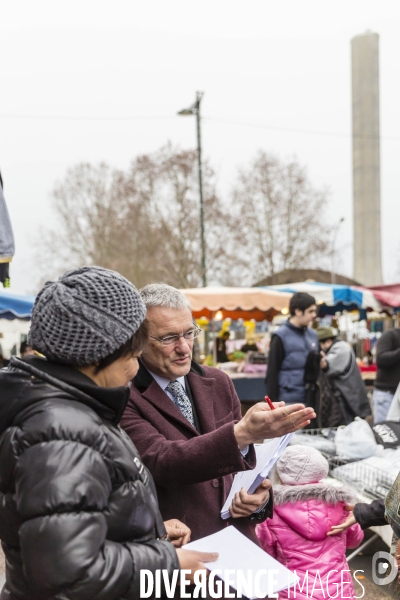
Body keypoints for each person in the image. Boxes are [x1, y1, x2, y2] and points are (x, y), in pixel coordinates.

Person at [0, 268, 215, 600]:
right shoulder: (59, 431)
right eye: (132, 354)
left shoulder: (74, 414)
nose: (135, 366)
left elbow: (80, 523)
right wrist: (165, 562)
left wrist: (151, 536)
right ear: (97, 355)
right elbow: (67, 570)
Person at [120, 283, 316, 544]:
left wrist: (259, 499)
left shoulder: (218, 381)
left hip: (239, 546)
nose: (184, 347)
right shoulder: (126, 395)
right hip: (184, 556)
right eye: (168, 338)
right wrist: (243, 434)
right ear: (139, 341)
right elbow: (162, 462)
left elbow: (246, 468)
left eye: (189, 333)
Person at [257, 445, 364, 600]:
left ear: (282, 475)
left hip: (294, 592)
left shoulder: (271, 513)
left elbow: (266, 552)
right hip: (338, 591)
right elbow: (355, 541)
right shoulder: (341, 505)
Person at [265, 292, 319, 404]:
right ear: (298, 311)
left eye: (315, 311)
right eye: (311, 311)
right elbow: (272, 373)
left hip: (312, 398)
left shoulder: (313, 335)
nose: (314, 315)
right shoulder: (280, 336)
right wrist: (273, 404)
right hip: (288, 400)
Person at [317, 326, 371, 426]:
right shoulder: (339, 347)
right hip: (347, 398)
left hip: (349, 399)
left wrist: (321, 362)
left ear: (327, 342)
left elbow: (328, 367)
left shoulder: (341, 348)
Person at [373, 327, 400, 423]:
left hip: (396, 394)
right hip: (387, 394)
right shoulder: (390, 335)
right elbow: (381, 359)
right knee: (384, 431)